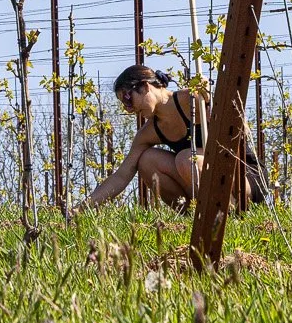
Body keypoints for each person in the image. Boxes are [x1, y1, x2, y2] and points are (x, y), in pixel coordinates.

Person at [79, 64, 266, 212]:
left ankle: (227, 215)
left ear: (145, 87)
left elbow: (235, 122)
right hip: (201, 183)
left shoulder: (192, 99)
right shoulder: (149, 132)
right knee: (147, 161)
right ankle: (194, 217)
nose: (129, 109)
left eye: (128, 99)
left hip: (244, 178)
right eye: (123, 105)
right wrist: (81, 208)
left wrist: (209, 98)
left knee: (187, 158)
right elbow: (121, 176)